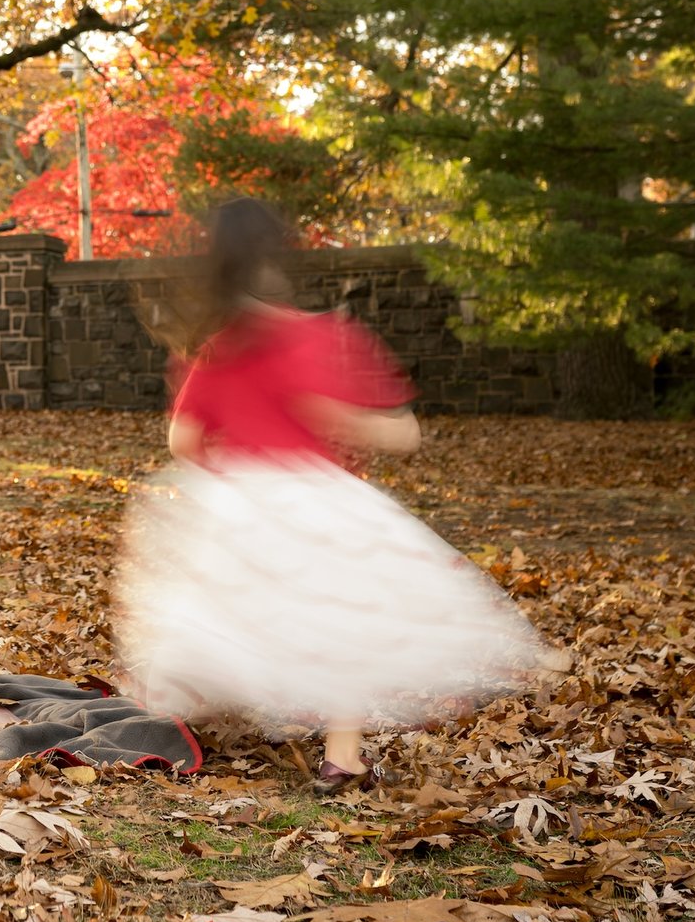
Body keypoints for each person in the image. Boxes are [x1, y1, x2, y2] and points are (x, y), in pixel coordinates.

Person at [115, 198, 557, 791]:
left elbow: (182, 440)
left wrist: (233, 471)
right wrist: (343, 420)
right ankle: (341, 755)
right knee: (344, 618)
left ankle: (186, 713)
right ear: (282, 255)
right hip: (316, 500)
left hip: (241, 502)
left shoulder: (214, 346)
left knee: (231, 606)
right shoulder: (322, 336)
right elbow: (403, 434)